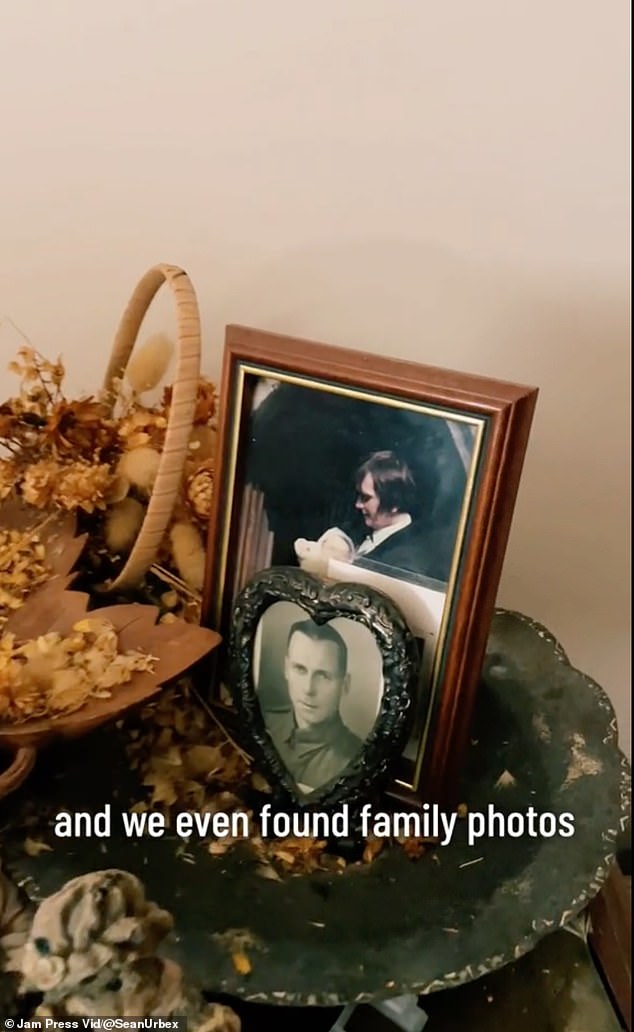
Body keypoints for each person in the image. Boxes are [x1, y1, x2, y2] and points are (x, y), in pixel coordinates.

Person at [263, 619, 363, 793]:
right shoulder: (265, 722)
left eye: (323, 676)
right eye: (300, 669)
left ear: (344, 685)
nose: (309, 689)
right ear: (286, 669)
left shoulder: (355, 760)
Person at [351, 450, 452, 582]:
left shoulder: (402, 562)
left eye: (365, 498)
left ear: (394, 503)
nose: (358, 504)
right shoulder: (370, 525)